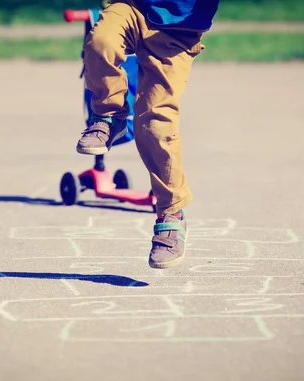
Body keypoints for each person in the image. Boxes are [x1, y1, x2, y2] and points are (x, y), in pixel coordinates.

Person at [76, 0, 220, 269]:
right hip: (132, 7)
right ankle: (110, 116)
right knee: (100, 43)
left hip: (178, 28)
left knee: (156, 124)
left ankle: (171, 215)